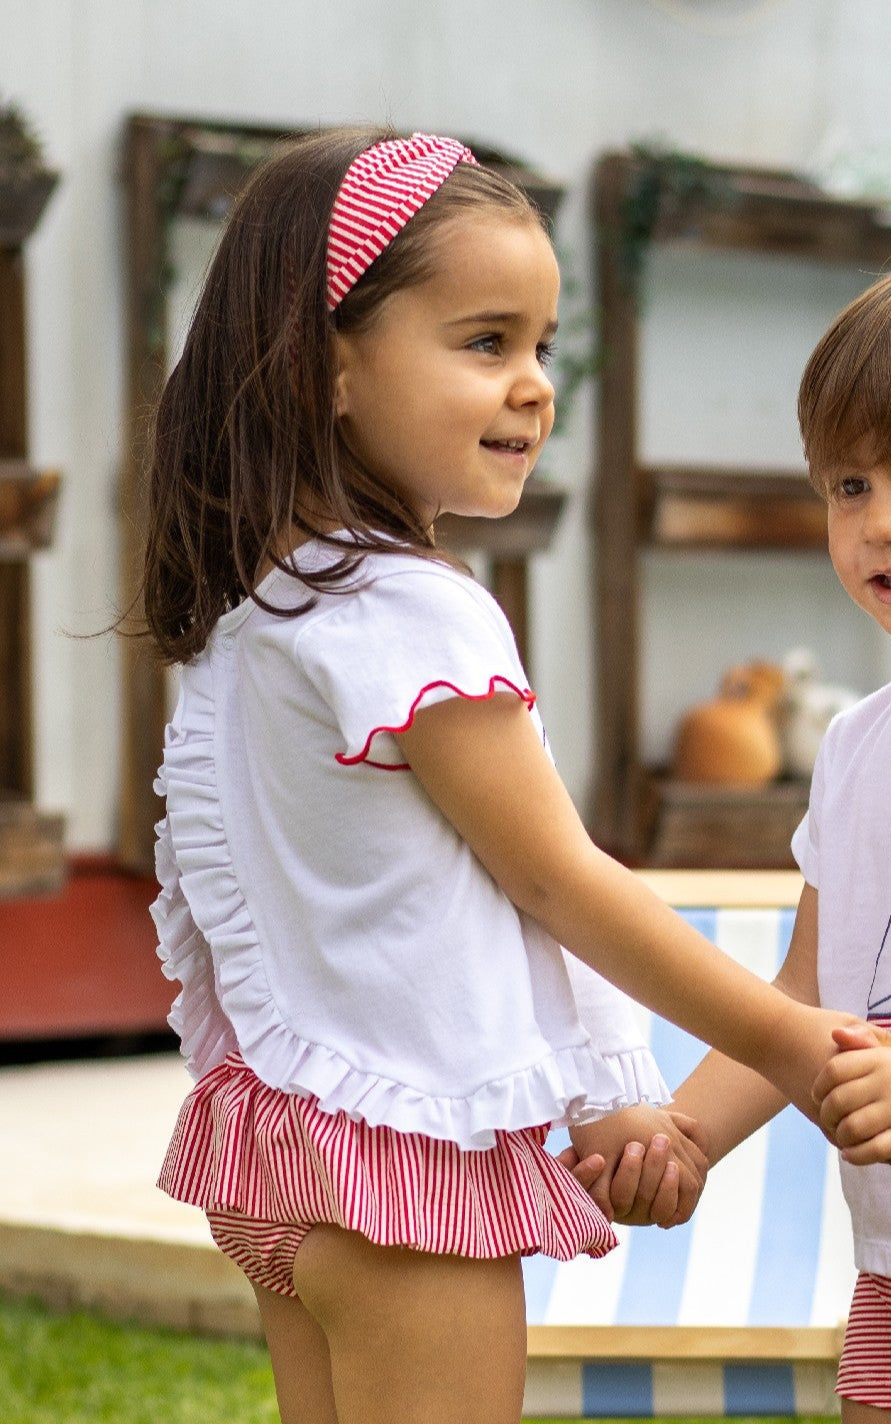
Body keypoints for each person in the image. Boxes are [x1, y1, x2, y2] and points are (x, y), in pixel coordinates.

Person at [143, 128, 886, 1424]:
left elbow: (498, 898)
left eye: (540, 346)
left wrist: (660, 1115)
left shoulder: (264, 605)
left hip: (279, 1142)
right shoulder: (413, 617)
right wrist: (780, 1052)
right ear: (329, 367)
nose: (536, 386)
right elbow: (550, 883)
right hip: (397, 1178)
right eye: (487, 343)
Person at [604, 275, 891, 1423]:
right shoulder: (856, 747)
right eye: (852, 483)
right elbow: (806, 995)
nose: (877, 519)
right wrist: (687, 1133)